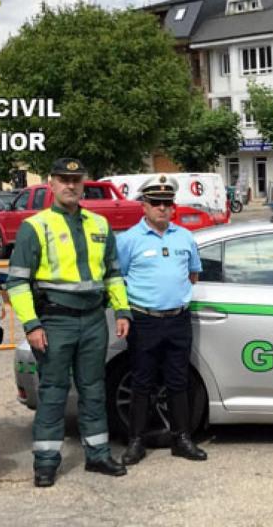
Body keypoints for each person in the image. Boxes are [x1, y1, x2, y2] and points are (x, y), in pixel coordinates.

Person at [7, 158, 132, 488]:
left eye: (76, 179)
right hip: (55, 322)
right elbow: (17, 283)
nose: (71, 185)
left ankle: (98, 454)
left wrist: (122, 311)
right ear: (52, 183)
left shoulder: (100, 225)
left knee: (94, 390)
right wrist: (32, 325)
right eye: (64, 179)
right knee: (52, 393)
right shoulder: (35, 226)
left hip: (93, 320)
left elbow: (114, 274)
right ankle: (46, 463)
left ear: (84, 183)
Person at [117, 174, 207, 466]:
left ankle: (181, 438)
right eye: (155, 202)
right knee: (141, 382)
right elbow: (117, 279)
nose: (162, 208)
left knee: (178, 381)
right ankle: (136, 441)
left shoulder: (184, 237)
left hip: (178, 319)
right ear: (144, 205)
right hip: (144, 321)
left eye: (167, 203)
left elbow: (193, 275)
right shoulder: (129, 239)